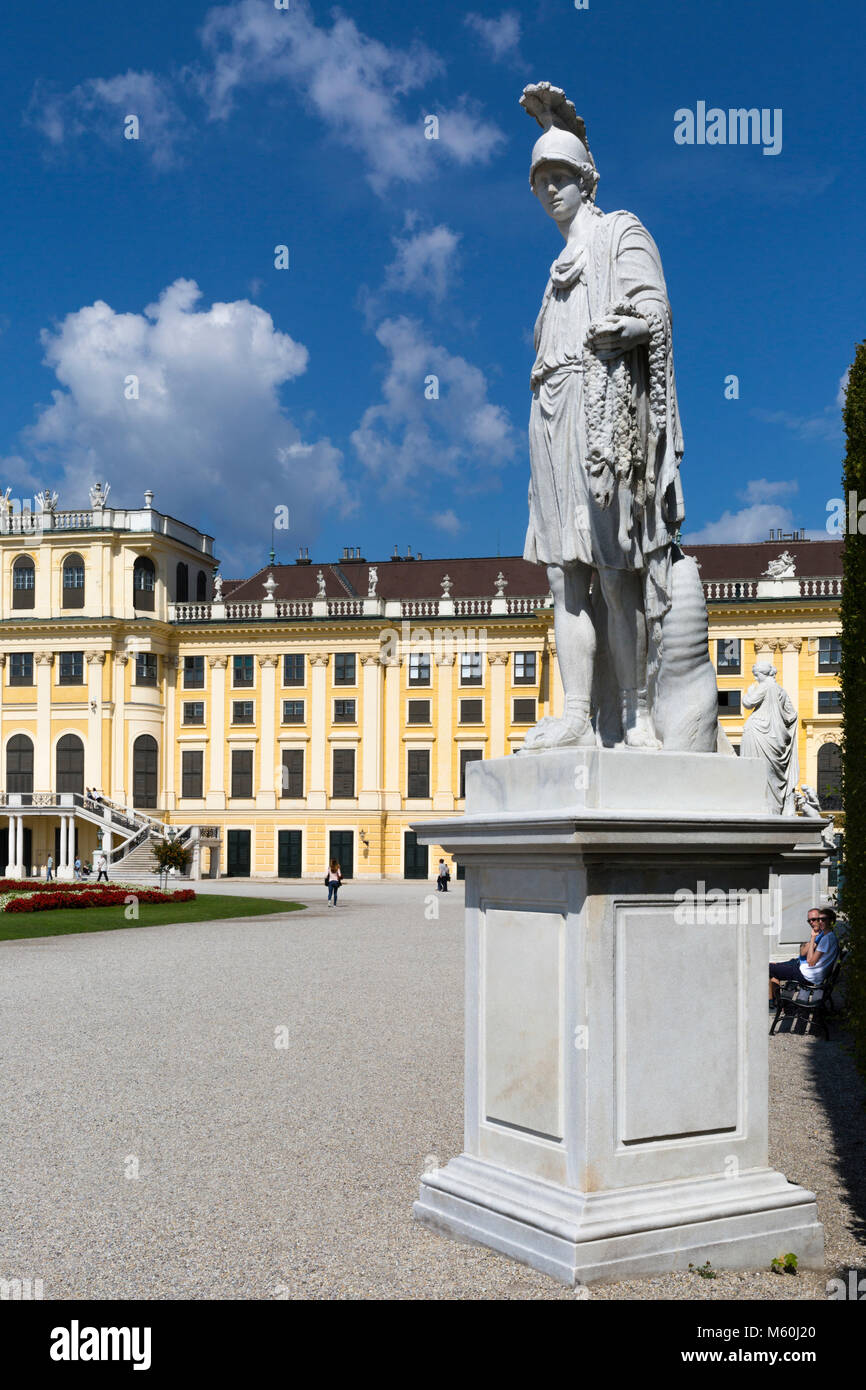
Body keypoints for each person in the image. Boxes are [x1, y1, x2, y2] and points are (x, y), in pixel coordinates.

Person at [518, 82, 686, 752]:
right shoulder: (553, 267)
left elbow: (658, 311)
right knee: (564, 574)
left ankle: (637, 717)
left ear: (586, 179)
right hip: (550, 412)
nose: (551, 190)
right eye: (541, 181)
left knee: (617, 571)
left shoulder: (620, 232)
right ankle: (576, 715)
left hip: (603, 413)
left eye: (561, 176)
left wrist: (631, 326)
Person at [769, 908, 839, 1002]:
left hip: (805, 974)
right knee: (772, 968)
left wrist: (813, 937)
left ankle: (777, 1002)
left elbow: (810, 961)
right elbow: (804, 952)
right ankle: (777, 1001)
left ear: (831, 921)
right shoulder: (830, 937)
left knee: (767, 968)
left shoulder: (826, 939)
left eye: (823, 919)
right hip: (807, 971)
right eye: (819, 919)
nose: (820, 922)